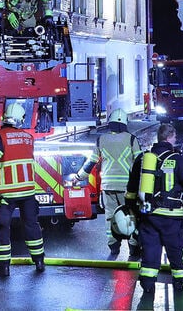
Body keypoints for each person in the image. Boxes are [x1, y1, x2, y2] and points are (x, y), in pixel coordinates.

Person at [0, 101, 45, 276]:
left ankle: (3, 267)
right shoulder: (28, 137)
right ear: (21, 119)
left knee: (2, 227)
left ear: (4, 118)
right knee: (32, 225)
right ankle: (39, 261)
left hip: (7, 194)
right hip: (28, 192)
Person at [125, 122, 183, 294]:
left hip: (148, 214)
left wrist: (132, 209)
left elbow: (131, 188)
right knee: (176, 248)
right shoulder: (177, 159)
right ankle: (181, 280)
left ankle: (147, 283)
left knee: (150, 249)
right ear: (170, 138)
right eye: (174, 137)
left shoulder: (143, 159)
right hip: (171, 215)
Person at [73, 107, 143, 258]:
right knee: (130, 215)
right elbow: (140, 162)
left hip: (108, 186)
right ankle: (133, 247)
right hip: (127, 187)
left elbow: (90, 163)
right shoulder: (131, 139)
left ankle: (114, 246)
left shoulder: (101, 140)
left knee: (110, 216)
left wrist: (78, 177)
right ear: (125, 123)